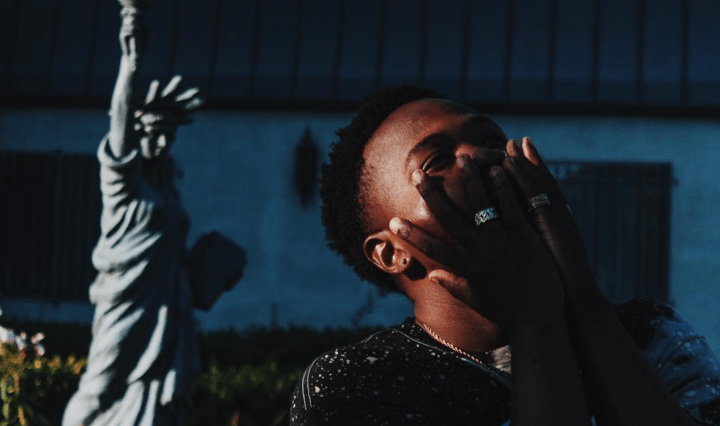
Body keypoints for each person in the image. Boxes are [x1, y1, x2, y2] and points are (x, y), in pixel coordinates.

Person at [289, 85, 720, 425]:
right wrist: (534, 321)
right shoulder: (361, 380)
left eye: (492, 139)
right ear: (390, 252)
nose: (480, 157)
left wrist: (584, 298)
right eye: (436, 160)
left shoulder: (651, 334)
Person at [62, 4, 245, 425]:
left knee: (162, 397)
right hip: (125, 300)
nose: (161, 143)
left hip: (166, 303)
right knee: (100, 386)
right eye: (154, 134)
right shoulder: (123, 184)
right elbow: (119, 122)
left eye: (168, 135)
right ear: (138, 132)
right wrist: (131, 64)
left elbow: (173, 251)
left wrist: (210, 268)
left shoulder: (167, 192)